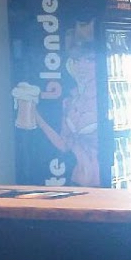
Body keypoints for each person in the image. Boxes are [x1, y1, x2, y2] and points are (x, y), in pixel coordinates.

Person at [33, 21, 100, 187]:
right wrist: (36, 116)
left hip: (102, 180)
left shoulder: (107, 100)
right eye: (77, 59)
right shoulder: (69, 101)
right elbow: (64, 145)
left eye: (90, 59)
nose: (82, 65)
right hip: (77, 178)